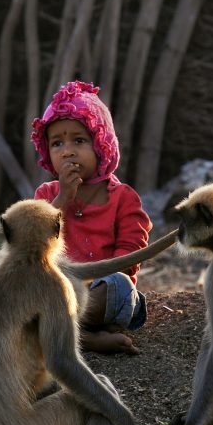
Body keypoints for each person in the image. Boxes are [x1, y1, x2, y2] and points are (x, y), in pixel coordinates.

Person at [31, 80, 152, 355]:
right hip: (56, 292)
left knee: (120, 284)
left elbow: (130, 256)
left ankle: (61, 333)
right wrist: (62, 199)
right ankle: (81, 337)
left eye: (79, 140)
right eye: (57, 143)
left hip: (102, 292)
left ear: (101, 144)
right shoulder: (47, 194)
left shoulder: (123, 198)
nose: (68, 151)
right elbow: (34, 243)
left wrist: (95, 284)